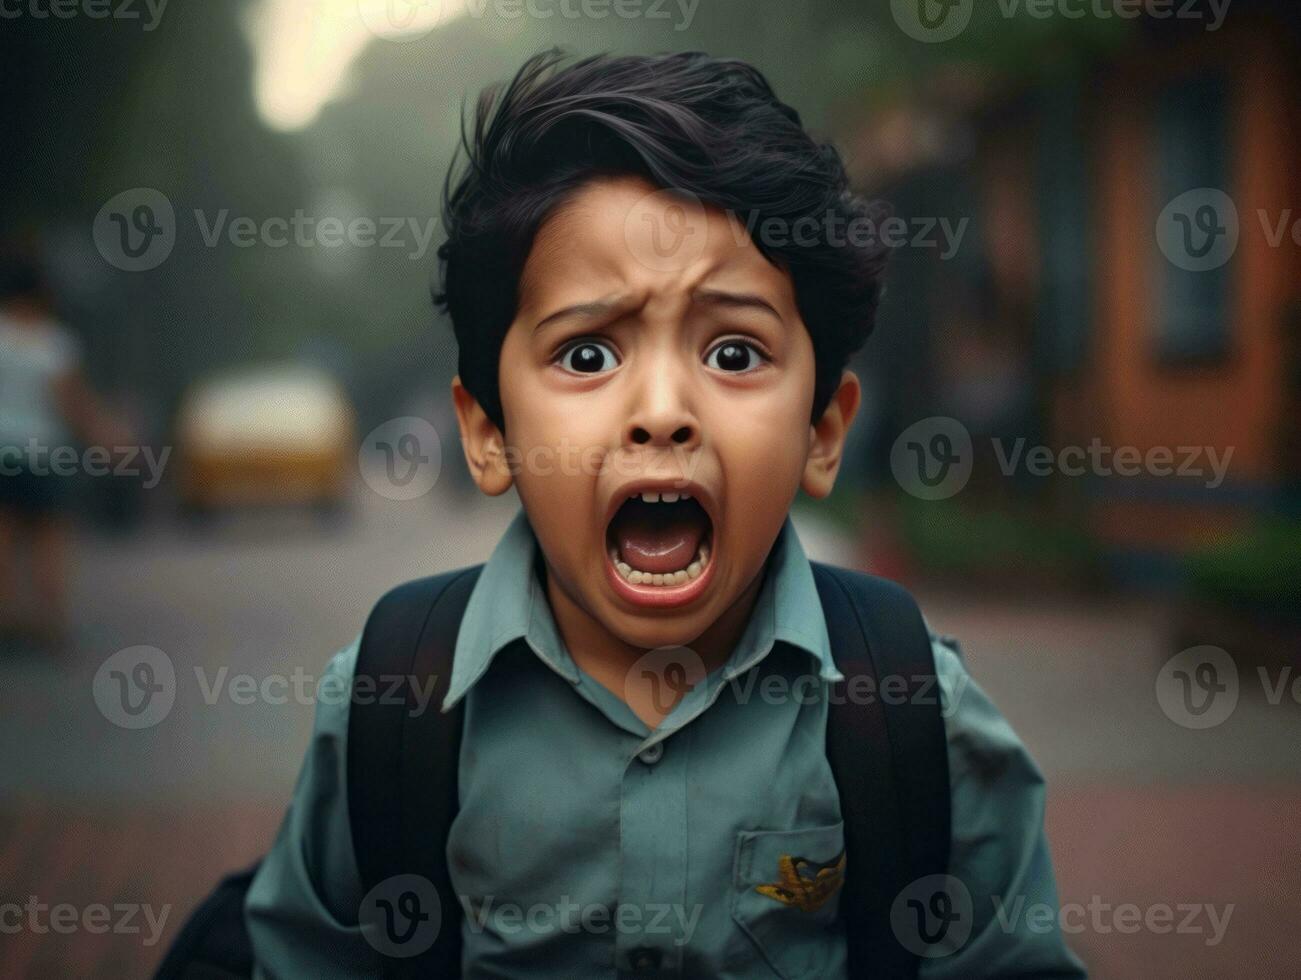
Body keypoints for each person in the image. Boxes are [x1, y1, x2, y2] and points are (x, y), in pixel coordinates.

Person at [243, 51, 1086, 978]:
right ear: (487, 433)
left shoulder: (910, 712)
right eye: (587, 355)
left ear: (821, 431)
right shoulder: (390, 703)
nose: (661, 409)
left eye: (732, 352)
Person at [0, 257, 128, 650]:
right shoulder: (53, 342)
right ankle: (50, 624)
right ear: (41, 295)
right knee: (49, 538)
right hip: (43, 455)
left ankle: (7, 623)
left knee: (4, 537)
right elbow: (69, 402)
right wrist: (105, 437)